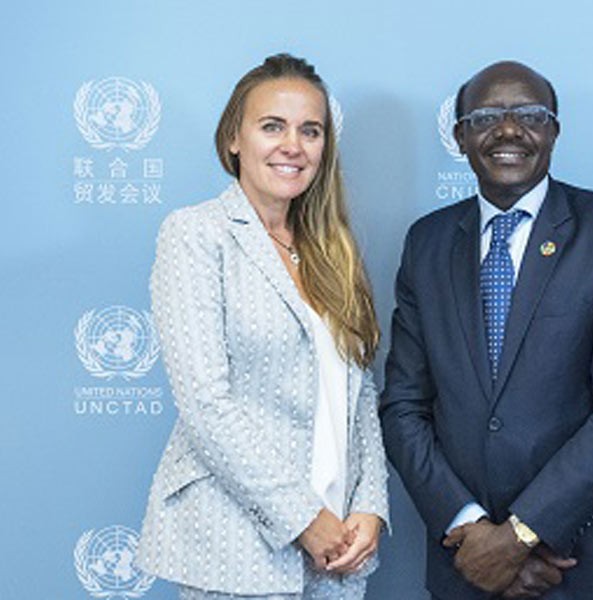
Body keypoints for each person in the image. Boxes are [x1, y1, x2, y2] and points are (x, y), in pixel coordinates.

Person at [380, 61, 593, 599]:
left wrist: (518, 536)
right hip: (465, 568)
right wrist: (471, 531)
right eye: (486, 117)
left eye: (531, 115)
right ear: (460, 135)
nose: (509, 130)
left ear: (554, 130)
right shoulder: (427, 243)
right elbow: (403, 407)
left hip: (582, 567)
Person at [135, 53, 389, 599]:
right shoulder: (196, 234)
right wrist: (303, 519)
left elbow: (360, 394)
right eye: (272, 126)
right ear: (234, 138)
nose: (293, 145)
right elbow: (206, 403)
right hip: (236, 543)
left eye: (310, 130)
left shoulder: (333, 250)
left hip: (341, 549)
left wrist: (370, 506)